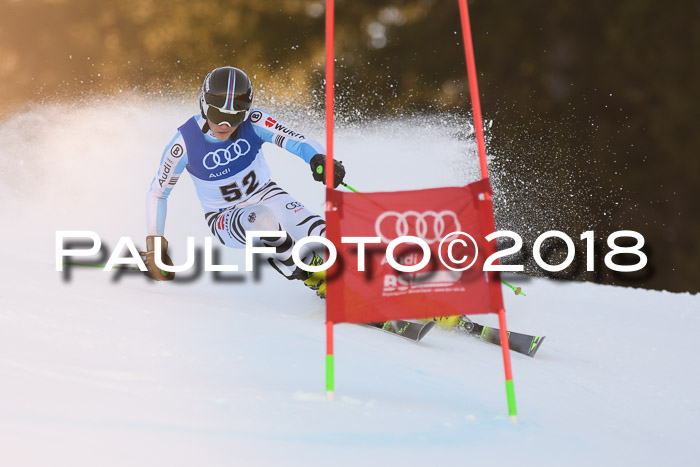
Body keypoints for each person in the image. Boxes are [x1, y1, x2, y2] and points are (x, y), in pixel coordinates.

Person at [144, 66, 345, 297]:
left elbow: (298, 142)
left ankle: (371, 280)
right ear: (203, 105)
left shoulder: (255, 121)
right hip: (224, 217)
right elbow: (158, 193)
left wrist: (320, 159)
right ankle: (318, 279)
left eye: (235, 117)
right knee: (263, 219)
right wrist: (154, 245)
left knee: (324, 235)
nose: (225, 125)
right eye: (217, 115)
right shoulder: (185, 143)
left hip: (268, 195)